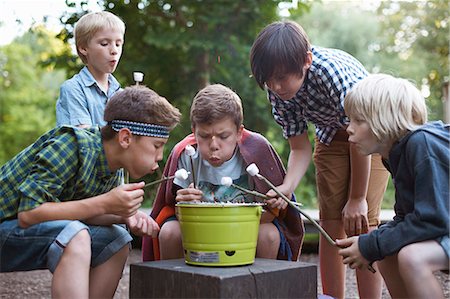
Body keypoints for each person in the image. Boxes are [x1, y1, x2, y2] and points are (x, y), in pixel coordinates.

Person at [250, 21, 389, 299]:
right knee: (332, 222)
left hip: (371, 134)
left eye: (281, 77)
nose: (276, 86)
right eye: (268, 79)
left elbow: (360, 137)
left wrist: (357, 197)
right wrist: (286, 187)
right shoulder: (277, 91)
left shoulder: (332, 73)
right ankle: (332, 297)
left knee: (363, 221)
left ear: (306, 61)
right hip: (330, 137)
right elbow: (299, 147)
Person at [0, 85, 181, 298]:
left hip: (25, 234)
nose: (160, 156)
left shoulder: (113, 166)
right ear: (125, 138)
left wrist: (124, 215)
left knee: (117, 240)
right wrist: (105, 203)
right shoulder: (71, 145)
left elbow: (76, 210)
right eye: (156, 145)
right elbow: (29, 213)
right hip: (7, 224)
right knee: (76, 235)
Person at [142, 84, 304, 262]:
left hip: (244, 230)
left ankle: (256, 289)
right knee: (169, 233)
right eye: (204, 136)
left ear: (239, 133)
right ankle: (178, 288)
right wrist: (185, 206)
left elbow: (272, 213)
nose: (213, 145)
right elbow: (173, 211)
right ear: (193, 131)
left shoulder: (257, 151)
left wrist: (274, 204)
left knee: (269, 235)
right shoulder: (186, 154)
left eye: (223, 136)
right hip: (198, 229)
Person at [337, 74, 449, 299]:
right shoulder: (397, 155)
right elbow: (406, 217)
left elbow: (434, 220)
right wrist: (371, 242)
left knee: (413, 257)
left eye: (358, 120)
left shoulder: (421, 145)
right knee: (387, 254)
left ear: (385, 120)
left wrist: (372, 244)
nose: (349, 128)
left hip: (442, 224)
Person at [56, 11, 125, 128]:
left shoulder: (121, 95)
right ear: (83, 48)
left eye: (118, 44)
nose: (114, 50)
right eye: (104, 44)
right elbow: (85, 139)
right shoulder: (73, 89)